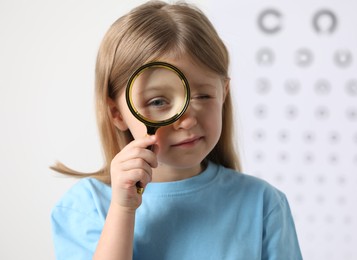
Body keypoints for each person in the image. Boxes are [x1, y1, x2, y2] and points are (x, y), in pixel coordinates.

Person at [51, 1, 303, 259]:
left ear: (223, 93)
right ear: (117, 113)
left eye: (204, 95)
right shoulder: (84, 207)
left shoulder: (263, 204)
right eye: (158, 102)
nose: (187, 120)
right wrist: (122, 210)